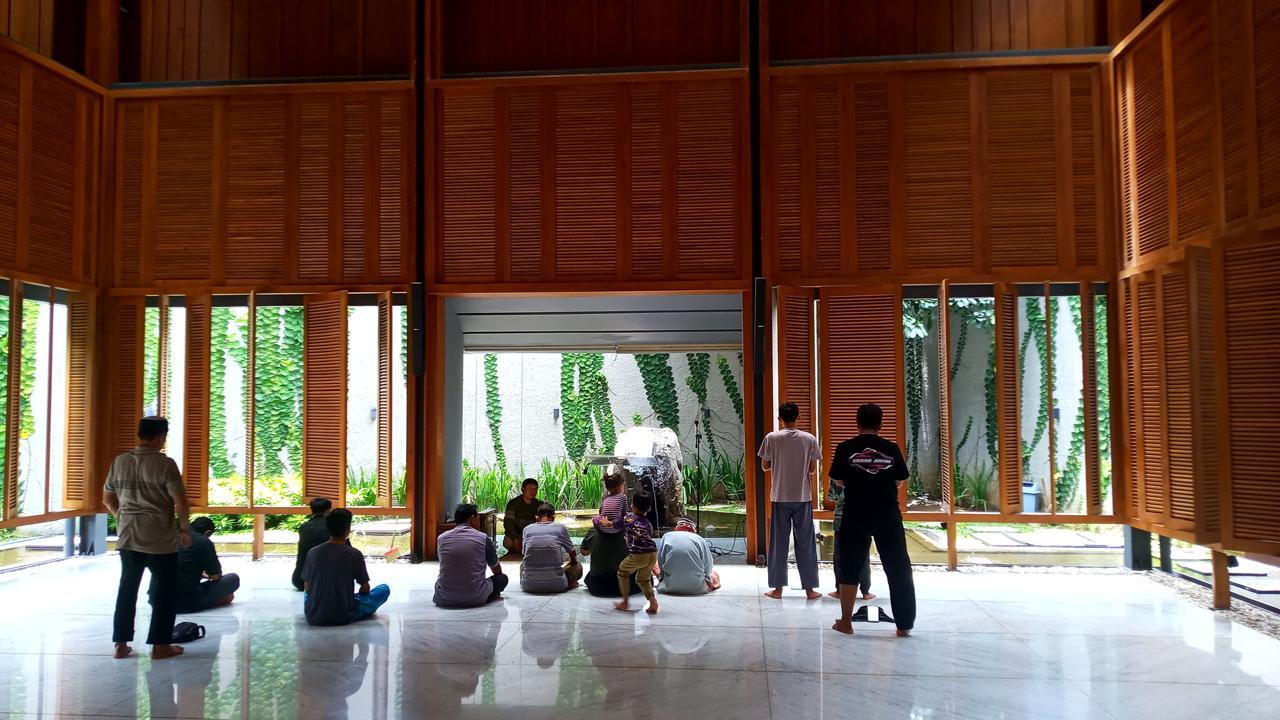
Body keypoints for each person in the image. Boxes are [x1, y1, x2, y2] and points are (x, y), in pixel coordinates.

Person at [104, 416, 192, 661]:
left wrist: (122, 515)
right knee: (165, 592)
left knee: (127, 589)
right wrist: (184, 529)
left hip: (129, 536)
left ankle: (120, 644)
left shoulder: (119, 461)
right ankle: (160, 645)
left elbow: (107, 497)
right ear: (162, 437)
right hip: (159, 539)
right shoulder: (165, 464)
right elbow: (180, 500)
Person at [830, 403, 916, 638]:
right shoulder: (891, 448)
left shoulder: (845, 448)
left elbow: (838, 480)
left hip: (855, 513)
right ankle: (904, 625)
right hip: (887, 514)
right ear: (881, 424)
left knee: (849, 567)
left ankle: (846, 622)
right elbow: (899, 481)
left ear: (857, 423)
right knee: (898, 568)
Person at [757, 401, 822, 600]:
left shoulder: (771, 438)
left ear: (780, 419)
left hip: (780, 496)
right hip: (802, 497)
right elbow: (812, 470)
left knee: (778, 543)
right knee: (806, 543)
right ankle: (810, 589)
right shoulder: (809, 439)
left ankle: (778, 589)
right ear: (798, 417)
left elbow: (765, 467)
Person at [302, 508, 391, 626]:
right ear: (348, 529)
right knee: (384, 589)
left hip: (313, 615)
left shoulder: (313, 552)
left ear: (328, 528)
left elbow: (307, 587)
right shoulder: (354, 553)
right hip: (344, 615)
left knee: (309, 596)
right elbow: (365, 587)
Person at [435, 503, 508, 607]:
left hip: (444, 598)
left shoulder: (441, 538)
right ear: (472, 519)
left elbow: (442, 561)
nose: (479, 522)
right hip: (475, 597)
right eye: (478, 519)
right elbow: (495, 568)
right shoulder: (483, 538)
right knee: (502, 579)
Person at [171, 516, 240, 613]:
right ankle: (217, 601)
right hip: (186, 602)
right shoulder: (203, 541)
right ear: (207, 533)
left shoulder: (171, 536)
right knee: (233, 578)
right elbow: (215, 576)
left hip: (159, 600)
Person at [824, 478, 874, 601]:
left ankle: (840, 590)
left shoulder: (839, 469)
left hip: (841, 518)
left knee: (840, 556)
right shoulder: (869, 467)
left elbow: (833, 496)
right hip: (864, 517)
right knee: (863, 555)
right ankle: (865, 591)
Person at [520, 503, 583, 593]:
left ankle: (530, 581)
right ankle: (570, 583)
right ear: (554, 517)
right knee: (578, 566)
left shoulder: (527, 529)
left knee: (522, 566)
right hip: (558, 585)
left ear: (537, 518)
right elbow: (572, 553)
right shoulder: (560, 528)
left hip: (528, 586)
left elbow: (525, 554)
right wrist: (572, 563)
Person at [613, 494, 659, 614]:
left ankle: (625, 602)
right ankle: (653, 601)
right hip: (652, 554)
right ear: (648, 509)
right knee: (643, 579)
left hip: (639, 554)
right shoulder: (648, 523)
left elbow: (613, 524)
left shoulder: (629, 518)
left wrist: (602, 521)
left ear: (633, 506)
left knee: (622, 572)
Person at [655, 517, 721, 595]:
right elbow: (708, 567)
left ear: (677, 526)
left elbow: (661, 562)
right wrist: (707, 579)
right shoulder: (699, 539)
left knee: (654, 564)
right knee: (714, 574)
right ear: (694, 529)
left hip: (668, 587)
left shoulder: (667, 536)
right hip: (697, 589)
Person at [580, 527, 641, 597]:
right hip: (630, 587)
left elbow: (584, 552)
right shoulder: (631, 530)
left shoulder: (593, 531)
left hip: (599, 588)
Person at [292, 497, 333, 591]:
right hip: (326, 581)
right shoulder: (332, 527)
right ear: (329, 510)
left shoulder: (303, 527)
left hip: (299, 580)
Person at [502, 478, 542, 555]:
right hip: (517, 535)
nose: (533, 491)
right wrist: (515, 538)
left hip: (533, 536)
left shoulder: (539, 504)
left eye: (535, 489)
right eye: (530, 489)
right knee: (508, 542)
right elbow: (508, 523)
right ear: (522, 489)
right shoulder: (513, 503)